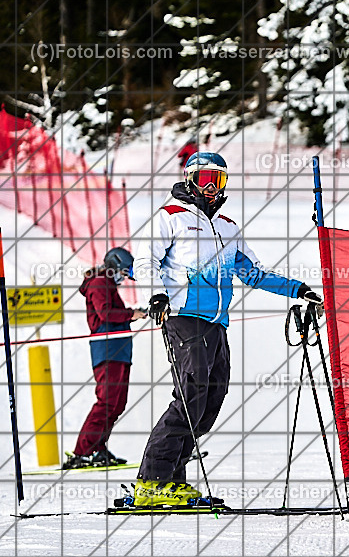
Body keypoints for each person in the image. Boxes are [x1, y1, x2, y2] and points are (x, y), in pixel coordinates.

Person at [134, 152, 321, 506]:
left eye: (217, 179)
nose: (210, 186)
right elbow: (146, 259)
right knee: (190, 397)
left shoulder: (228, 227)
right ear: (189, 178)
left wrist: (298, 289)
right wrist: (155, 295)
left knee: (210, 400)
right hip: (184, 317)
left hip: (216, 323)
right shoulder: (170, 217)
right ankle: (152, 481)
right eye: (204, 177)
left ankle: (172, 479)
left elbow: (252, 272)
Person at [63, 248, 147, 470]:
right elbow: (105, 314)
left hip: (119, 350)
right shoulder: (100, 282)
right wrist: (131, 314)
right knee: (107, 402)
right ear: (113, 267)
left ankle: (98, 447)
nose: (123, 278)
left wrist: (133, 312)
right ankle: (82, 452)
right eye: (122, 273)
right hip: (108, 349)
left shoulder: (107, 283)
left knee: (117, 403)